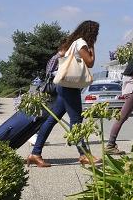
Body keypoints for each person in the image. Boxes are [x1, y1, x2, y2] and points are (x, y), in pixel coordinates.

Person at [27, 22, 99, 168]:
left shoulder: (73, 43)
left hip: (64, 86)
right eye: (96, 32)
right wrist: (92, 46)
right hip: (69, 88)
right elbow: (90, 62)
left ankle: (35, 153)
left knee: (52, 120)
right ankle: (84, 154)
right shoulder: (82, 43)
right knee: (76, 120)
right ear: (91, 32)